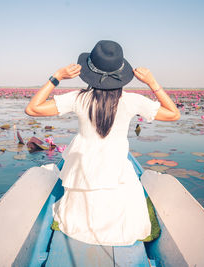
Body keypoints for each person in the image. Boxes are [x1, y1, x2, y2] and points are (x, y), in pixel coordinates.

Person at [25, 40, 180, 246]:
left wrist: (57, 77)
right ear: (121, 71)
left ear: (89, 71)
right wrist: (152, 83)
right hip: (116, 170)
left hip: (84, 171)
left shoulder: (79, 98)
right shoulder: (133, 100)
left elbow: (32, 109)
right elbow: (173, 114)